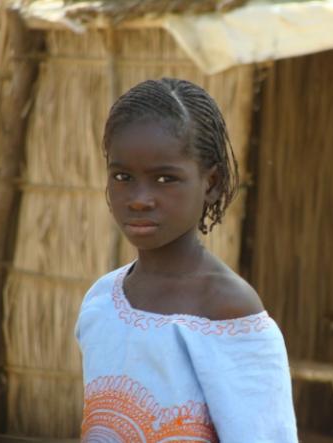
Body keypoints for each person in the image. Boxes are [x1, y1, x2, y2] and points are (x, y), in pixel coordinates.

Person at [75, 78, 298, 442]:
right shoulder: (101, 302)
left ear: (210, 183)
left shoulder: (229, 312)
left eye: (165, 178)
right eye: (123, 177)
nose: (139, 199)